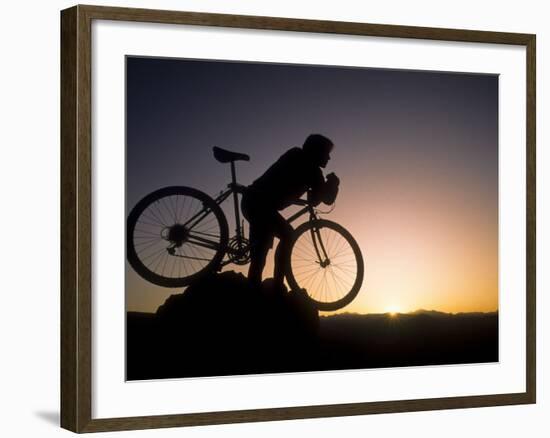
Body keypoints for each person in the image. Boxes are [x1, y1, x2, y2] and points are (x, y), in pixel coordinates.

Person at [241, 134, 340, 290]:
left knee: (263, 248)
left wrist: (329, 185)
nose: (328, 158)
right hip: (259, 204)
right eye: (327, 153)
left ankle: (269, 286)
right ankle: (275, 286)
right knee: (285, 236)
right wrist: (333, 184)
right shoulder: (311, 168)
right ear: (317, 151)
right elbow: (321, 200)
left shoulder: (297, 155)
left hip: (254, 201)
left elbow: (315, 199)